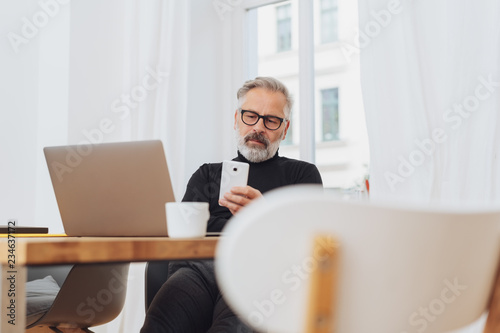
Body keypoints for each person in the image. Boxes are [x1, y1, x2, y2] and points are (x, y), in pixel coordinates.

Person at [141, 77, 322, 333]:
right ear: (236, 118)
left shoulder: (302, 175)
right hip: (199, 269)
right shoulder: (207, 174)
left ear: (284, 128)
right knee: (161, 323)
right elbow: (183, 236)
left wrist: (263, 214)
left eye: (271, 120)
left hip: (260, 270)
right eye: (251, 116)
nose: (258, 127)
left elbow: (310, 242)